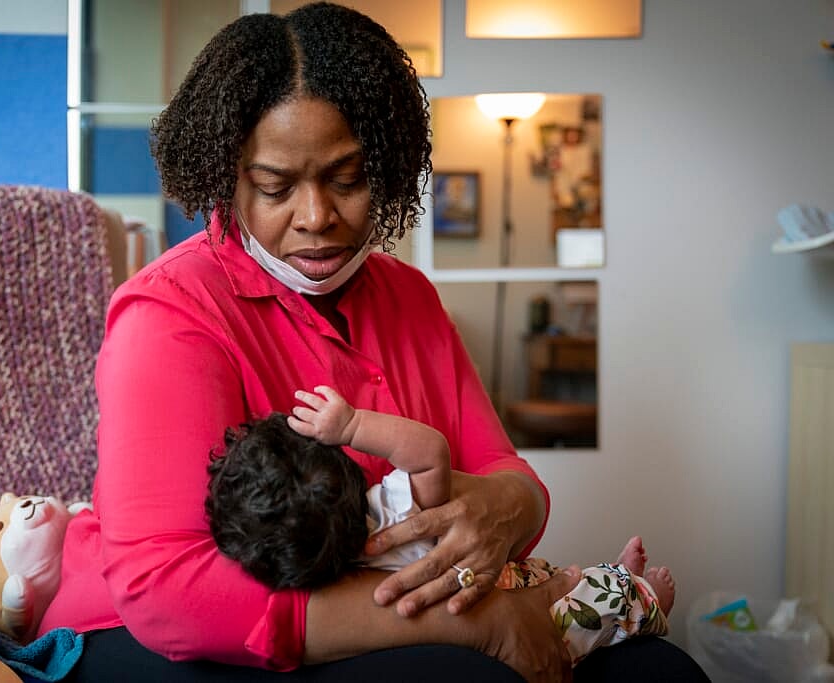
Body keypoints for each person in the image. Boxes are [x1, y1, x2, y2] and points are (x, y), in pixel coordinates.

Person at [39, 3, 708, 681]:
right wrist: (477, 622)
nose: (316, 216)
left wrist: (503, 508)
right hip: (163, 632)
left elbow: (511, 479)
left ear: (384, 166)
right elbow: (168, 586)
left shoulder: (408, 297)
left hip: (390, 604)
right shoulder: (170, 313)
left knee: (660, 670)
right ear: (226, 176)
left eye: (346, 178)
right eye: (275, 187)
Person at [206, 385, 675, 666]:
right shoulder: (388, 513)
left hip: (500, 585)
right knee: (590, 608)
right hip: (517, 605)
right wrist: (351, 425)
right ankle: (646, 602)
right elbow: (430, 452)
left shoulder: (319, 574)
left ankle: (616, 580)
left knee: (566, 584)